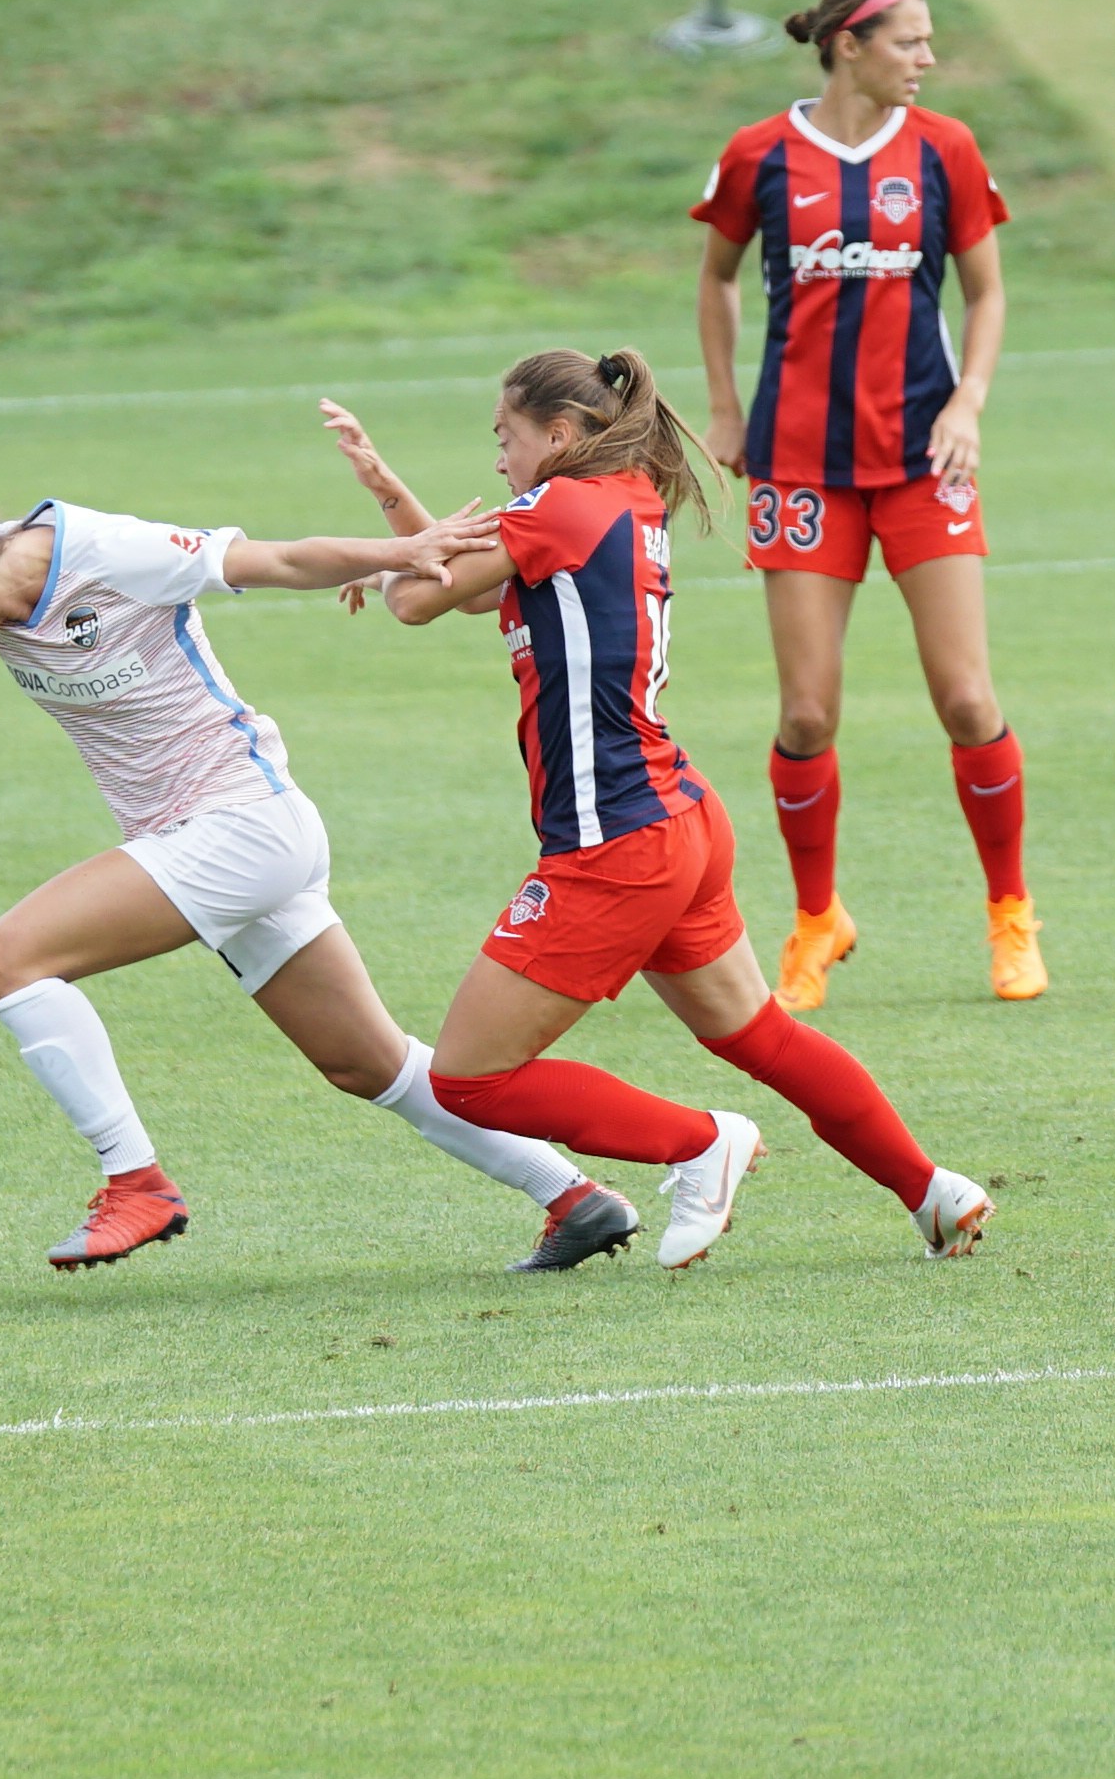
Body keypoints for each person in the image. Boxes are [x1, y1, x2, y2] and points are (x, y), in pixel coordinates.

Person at [0, 472, 636, 1274]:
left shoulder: (105, 553)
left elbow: (273, 558)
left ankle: (136, 1182)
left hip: (240, 825)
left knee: (11, 958)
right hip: (222, 843)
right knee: (368, 1065)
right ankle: (574, 1198)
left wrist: (399, 552)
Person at [338, 351, 991, 1266]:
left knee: (469, 1080)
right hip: (676, 816)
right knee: (760, 1034)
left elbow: (415, 598)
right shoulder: (621, 497)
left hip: (614, 841)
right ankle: (931, 1189)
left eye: (505, 437)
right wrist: (391, 499)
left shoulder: (555, 507)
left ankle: (700, 1144)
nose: (498, 459)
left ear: (558, 435)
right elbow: (457, 591)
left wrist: (387, 558)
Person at [688, 0, 1040, 1011]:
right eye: (910, 40)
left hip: (925, 459)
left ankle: (1011, 912)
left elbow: (986, 293)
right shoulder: (759, 154)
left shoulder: (945, 149)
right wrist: (724, 406)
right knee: (806, 715)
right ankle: (816, 920)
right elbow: (714, 277)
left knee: (966, 697)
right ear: (850, 44)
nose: (927, 58)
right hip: (800, 463)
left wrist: (968, 402)